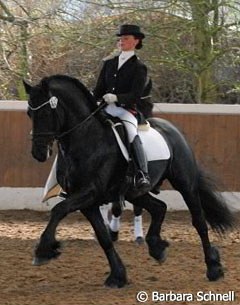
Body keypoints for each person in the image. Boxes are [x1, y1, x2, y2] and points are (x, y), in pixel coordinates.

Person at [93, 24, 151, 192]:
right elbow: (98, 90)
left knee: (131, 133)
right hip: (105, 108)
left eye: (126, 38)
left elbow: (136, 94)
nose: (122, 41)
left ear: (136, 41)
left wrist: (117, 97)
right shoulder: (109, 64)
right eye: (120, 38)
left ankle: (142, 173)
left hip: (125, 110)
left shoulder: (139, 67)